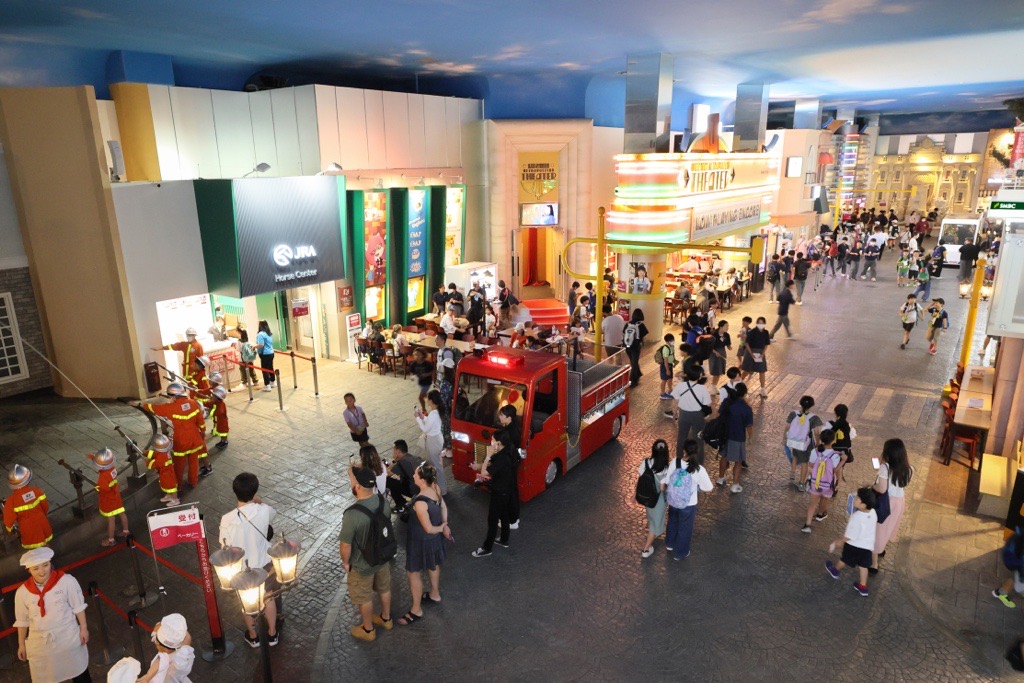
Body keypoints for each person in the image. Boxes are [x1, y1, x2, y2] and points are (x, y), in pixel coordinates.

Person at [219, 473, 279, 647]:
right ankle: (272, 634)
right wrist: (259, 502)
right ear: (255, 491)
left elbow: (224, 545)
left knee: (246, 603)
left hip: (242, 569)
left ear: (235, 491)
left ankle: (253, 636)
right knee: (268, 597)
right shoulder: (264, 510)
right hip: (264, 563)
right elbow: (272, 515)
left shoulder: (227, 519)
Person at [14, 547, 91, 682]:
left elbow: (78, 606)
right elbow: (22, 621)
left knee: (79, 673)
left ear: (50, 563)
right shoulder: (22, 592)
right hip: (41, 644)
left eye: (45, 565)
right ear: (29, 570)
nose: (42, 571)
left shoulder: (66, 581)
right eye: (36, 568)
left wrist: (83, 628)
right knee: (46, 676)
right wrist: (21, 644)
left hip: (67, 637)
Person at [340, 466, 394, 640]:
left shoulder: (352, 514)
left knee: (364, 597)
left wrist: (346, 562)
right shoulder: (383, 502)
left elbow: (345, 545)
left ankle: (368, 630)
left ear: (357, 486)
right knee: (384, 588)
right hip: (382, 558)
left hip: (362, 565)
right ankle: (386, 619)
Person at [398, 463, 451, 625]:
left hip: (420, 540)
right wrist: (444, 524)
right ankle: (434, 593)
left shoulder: (420, 502)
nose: (413, 476)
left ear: (422, 480)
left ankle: (416, 610)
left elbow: (428, 528)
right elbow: (443, 507)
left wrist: (441, 528)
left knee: (413, 573)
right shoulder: (436, 488)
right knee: (433, 564)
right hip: (434, 540)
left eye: (416, 474)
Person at [141, 383, 208, 488]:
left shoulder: (171, 407)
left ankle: (179, 485)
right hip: (195, 438)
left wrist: (142, 405)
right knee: (194, 463)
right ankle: (193, 482)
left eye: (169, 396)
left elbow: (155, 408)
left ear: (174, 396)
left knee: (179, 465)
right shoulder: (193, 403)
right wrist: (203, 431)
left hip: (181, 441)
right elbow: (201, 421)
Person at [662, 439, 714, 560]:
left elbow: (668, 480)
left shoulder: (675, 462)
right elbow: (709, 487)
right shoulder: (699, 469)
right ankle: (680, 553)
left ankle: (670, 544)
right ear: (697, 451)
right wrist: (697, 488)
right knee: (685, 528)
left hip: (673, 500)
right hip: (688, 504)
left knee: (672, 521)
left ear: (683, 450)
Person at [825, 487, 878, 597]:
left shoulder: (856, 517)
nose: (855, 499)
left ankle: (835, 571)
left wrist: (840, 541)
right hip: (867, 547)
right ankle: (863, 587)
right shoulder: (873, 512)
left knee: (844, 559)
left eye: (858, 498)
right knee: (863, 567)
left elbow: (851, 535)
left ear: (863, 505)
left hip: (853, 546)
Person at [472, 430, 517, 557]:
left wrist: (487, 456)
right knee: (504, 515)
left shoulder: (502, 458)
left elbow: (484, 472)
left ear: (499, 443)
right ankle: (504, 539)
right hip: (506, 491)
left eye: (492, 440)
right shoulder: (507, 452)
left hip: (499, 492)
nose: (491, 442)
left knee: (492, 520)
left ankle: (487, 548)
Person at [871, 438, 913, 573]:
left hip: (886, 502)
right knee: (888, 527)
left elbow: (882, 488)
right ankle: (881, 548)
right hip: (899, 502)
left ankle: (874, 564)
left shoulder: (885, 468)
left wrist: (871, 485)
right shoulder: (909, 469)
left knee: (878, 529)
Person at [3, 464, 53, 549]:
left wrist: (9, 530)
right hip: (42, 524)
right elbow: (45, 507)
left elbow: (8, 520)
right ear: (27, 480)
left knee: (34, 549)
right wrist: (41, 516)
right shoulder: (37, 491)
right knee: (45, 544)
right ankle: (49, 556)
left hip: (28, 529)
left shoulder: (11, 501)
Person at [800, 429, 841, 532]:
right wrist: (843, 461)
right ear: (833, 440)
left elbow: (811, 464)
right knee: (824, 499)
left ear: (821, 439)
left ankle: (807, 524)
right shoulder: (835, 455)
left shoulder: (815, 451)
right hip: (828, 484)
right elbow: (835, 470)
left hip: (815, 482)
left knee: (812, 503)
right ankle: (820, 514)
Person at [88, 448, 130, 546]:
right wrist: (94, 458)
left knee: (111, 519)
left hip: (109, 500)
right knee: (122, 513)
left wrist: (97, 488)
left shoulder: (103, 476)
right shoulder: (112, 468)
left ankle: (111, 540)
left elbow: (103, 488)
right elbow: (103, 468)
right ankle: (126, 531)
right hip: (116, 496)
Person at [137, 613, 194, 682]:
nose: (155, 642)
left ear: (166, 649)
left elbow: (159, 662)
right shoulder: (184, 646)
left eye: (157, 642)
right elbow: (159, 625)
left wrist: (147, 677)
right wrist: (157, 631)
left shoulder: (175, 662)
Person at [717, 383, 752, 493]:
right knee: (738, 461)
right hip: (738, 436)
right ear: (744, 393)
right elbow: (749, 426)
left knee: (724, 457)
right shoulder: (746, 408)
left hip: (725, 435)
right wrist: (750, 437)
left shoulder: (727, 402)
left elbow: (719, 414)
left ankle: (721, 477)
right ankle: (735, 484)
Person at [639, 440, 671, 559]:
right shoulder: (665, 468)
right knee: (656, 524)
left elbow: (640, 477)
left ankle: (653, 527)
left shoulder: (646, 462)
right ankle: (646, 549)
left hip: (647, 496)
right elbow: (662, 488)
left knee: (651, 515)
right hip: (659, 500)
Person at [671, 367, 711, 461]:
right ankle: (699, 462)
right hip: (697, 416)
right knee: (699, 439)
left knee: (681, 437)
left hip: (683, 415)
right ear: (699, 376)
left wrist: (675, 413)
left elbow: (675, 401)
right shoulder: (702, 388)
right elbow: (707, 404)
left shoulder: (681, 385)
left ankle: (679, 460)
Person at [786, 395, 823, 491]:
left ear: (800, 403)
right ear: (812, 405)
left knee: (795, 455)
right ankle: (802, 483)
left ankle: (792, 473)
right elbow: (816, 432)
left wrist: (784, 438)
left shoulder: (794, 414)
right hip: (805, 443)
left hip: (794, 440)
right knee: (804, 462)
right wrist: (818, 442)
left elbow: (787, 426)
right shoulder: (814, 418)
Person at [414, 390, 447, 496]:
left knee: (436, 465)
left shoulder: (433, 413)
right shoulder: (437, 411)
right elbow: (431, 423)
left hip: (433, 441)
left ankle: (441, 489)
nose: (427, 400)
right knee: (436, 463)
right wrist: (423, 417)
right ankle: (439, 487)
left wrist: (418, 418)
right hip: (437, 438)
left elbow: (426, 429)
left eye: (428, 399)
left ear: (431, 401)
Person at [497, 404, 524, 529]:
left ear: (509, 418)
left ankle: (512, 520)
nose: (500, 416)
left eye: (502, 415)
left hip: (508, 465)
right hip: (512, 463)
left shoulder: (509, 432)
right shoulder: (513, 428)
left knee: (510, 493)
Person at [386, 440, 423, 512]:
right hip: (423, 488)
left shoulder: (401, 463)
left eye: (394, 450)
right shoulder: (412, 457)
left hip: (415, 491)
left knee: (389, 481)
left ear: (398, 452)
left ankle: (400, 505)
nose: (393, 452)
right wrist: (395, 460)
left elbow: (386, 474)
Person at [740, 316, 770, 398]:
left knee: (762, 371)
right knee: (747, 370)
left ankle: (763, 389)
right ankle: (738, 382)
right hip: (751, 352)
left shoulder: (766, 332)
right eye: (759, 323)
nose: (761, 325)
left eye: (762, 323)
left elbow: (766, 344)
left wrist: (762, 354)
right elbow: (746, 343)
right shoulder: (752, 332)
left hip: (760, 353)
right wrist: (751, 354)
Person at [146, 434, 179, 506]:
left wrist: (147, 461)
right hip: (165, 472)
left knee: (172, 486)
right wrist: (147, 453)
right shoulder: (164, 451)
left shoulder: (162, 456)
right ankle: (169, 496)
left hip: (167, 473)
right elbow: (155, 454)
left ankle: (175, 499)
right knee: (166, 485)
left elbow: (155, 464)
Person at [624, 308, 649, 388]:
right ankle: (632, 381)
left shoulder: (628, 324)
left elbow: (624, 332)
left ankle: (638, 374)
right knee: (634, 363)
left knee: (633, 361)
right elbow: (644, 335)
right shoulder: (640, 325)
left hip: (627, 346)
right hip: (635, 346)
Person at [708, 320, 731, 389]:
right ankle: (712, 387)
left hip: (722, 353)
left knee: (719, 371)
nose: (727, 328)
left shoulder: (726, 335)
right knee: (716, 372)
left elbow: (728, 344)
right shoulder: (714, 335)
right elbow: (709, 346)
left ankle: (713, 386)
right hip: (714, 354)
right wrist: (715, 352)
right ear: (721, 327)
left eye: (728, 326)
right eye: (726, 326)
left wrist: (729, 347)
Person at [656, 333, 677, 400]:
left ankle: (670, 390)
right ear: (667, 341)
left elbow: (672, 355)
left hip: (669, 365)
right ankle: (662, 393)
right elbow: (665, 360)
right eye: (671, 340)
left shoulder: (671, 347)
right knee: (664, 379)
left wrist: (674, 362)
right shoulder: (666, 348)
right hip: (665, 366)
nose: (673, 341)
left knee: (670, 378)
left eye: (673, 340)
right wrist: (667, 370)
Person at [255, 320, 275, 391]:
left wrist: (253, 347)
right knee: (270, 368)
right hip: (271, 353)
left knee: (264, 369)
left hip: (265, 354)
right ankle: (272, 382)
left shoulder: (260, 334)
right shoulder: (268, 333)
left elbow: (261, 344)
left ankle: (267, 385)